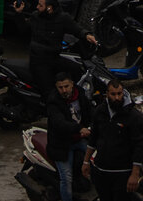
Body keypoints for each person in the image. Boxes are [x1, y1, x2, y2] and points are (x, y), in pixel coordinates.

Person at [19, 0, 95, 98]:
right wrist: (19, 14)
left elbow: (76, 29)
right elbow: (24, 29)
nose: (37, 7)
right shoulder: (36, 17)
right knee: (50, 94)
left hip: (53, 58)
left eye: (40, 5)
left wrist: (86, 35)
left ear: (49, 8)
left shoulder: (62, 18)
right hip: (38, 61)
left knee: (77, 70)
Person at [88, 77, 143, 201]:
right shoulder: (99, 112)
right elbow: (93, 138)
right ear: (107, 94)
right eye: (113, 94)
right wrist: (86, 161)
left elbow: (138, 147)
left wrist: (135, 174)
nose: (117, 97)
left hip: (122, 172)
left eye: (119, 94)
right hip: (101, 170)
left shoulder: (134, 117)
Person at [47, 72, 93, 201]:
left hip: (81, 139)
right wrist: (79, 129)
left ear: (72, 84)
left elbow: (90, 112)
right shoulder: (53, 102)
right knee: (66, 178)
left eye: (66, 86)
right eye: (60, 87)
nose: (64, 90)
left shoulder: (81, 94)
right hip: (62, 145)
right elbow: (60, 123)